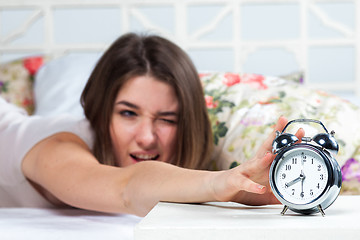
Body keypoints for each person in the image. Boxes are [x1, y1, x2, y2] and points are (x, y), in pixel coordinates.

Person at [0, 33, 304, 217]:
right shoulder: (56, 148)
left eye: (167, 119)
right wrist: (221, 183)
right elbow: (127, 188)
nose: (146, 138)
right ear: (101, 113)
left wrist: (245, 191)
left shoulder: (190, 151)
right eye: (128, 114)